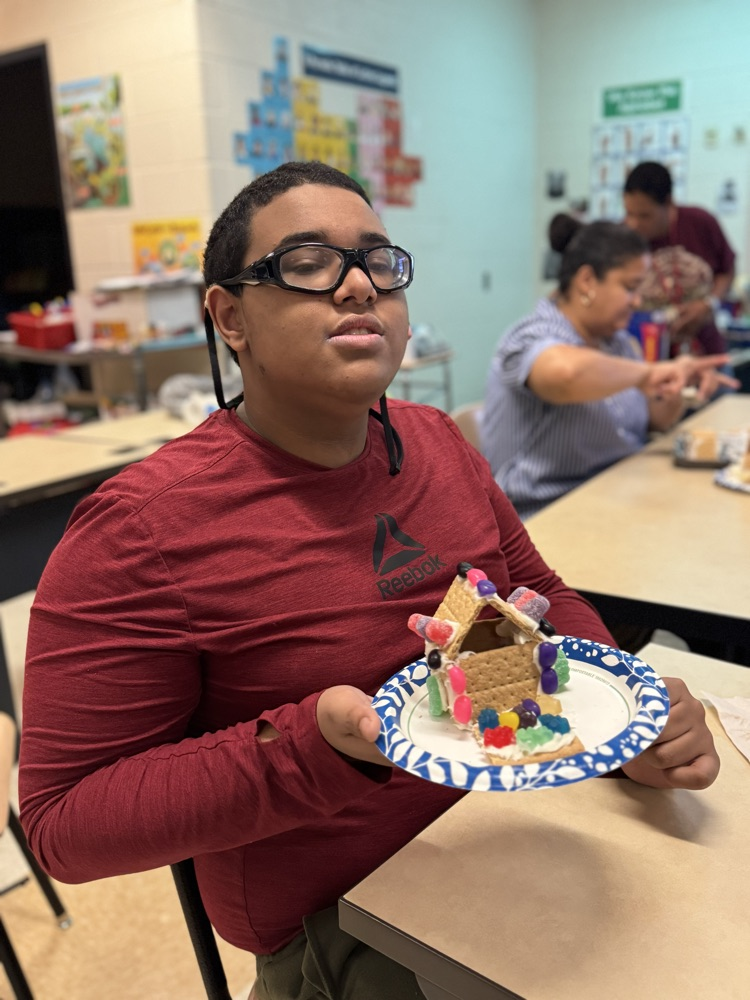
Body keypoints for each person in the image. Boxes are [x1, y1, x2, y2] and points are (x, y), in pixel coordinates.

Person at [19, 163, 720, 1000]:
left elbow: (541, 593)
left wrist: (625, 725)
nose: (358, 286)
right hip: (345, 924)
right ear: (230, 316)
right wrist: (308, 747)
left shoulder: (435, 440)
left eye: (379, 262)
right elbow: (63, 826)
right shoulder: (141, 529)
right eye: (308, 263)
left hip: (515, 825)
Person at [482, 214, 738, 522]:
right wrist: (650, 373)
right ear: (587, 281)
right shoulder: (530, 335)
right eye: (630, 287)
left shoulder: (617, 342)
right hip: (544, 517)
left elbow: (652, 420)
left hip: (615, 499)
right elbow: (566, 374)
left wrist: (677, 390)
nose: (637, 300)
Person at [623, 160, 736, 355]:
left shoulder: (700, 223)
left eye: (644, 216)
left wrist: (709, 303)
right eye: (629, 214)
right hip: (647, 355)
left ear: (668, 203)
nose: (634, 224)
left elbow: (727, 269)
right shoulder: (623, 237)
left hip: (704, 353)